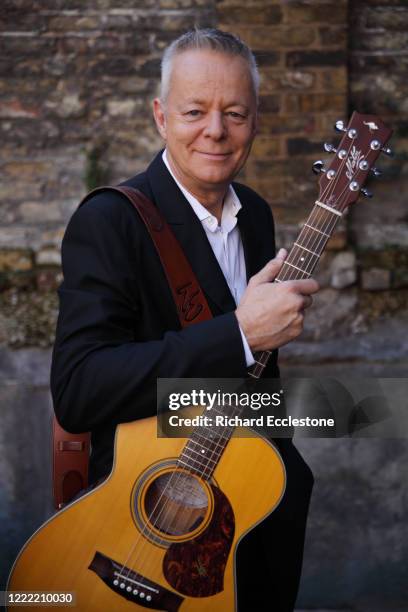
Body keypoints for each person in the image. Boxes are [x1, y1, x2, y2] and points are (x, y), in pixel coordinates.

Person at [50, 28, 318, 611]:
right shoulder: (110, 221)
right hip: (142, 511)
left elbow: (253, 389)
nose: (215, 131)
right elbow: (78, 391)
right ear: (160, 116)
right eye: (194, 111)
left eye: (235, 113)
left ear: (256, 119)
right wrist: (240, 334)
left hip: (252, 506)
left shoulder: (257, 218)